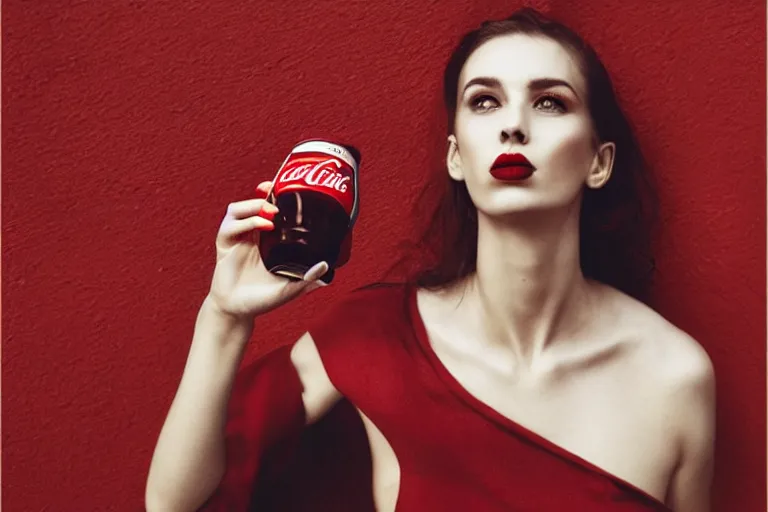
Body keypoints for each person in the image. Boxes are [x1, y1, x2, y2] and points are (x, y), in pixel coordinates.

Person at [145, 7, 716, 512]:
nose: (513, 125)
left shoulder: (674, 377)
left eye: (549, 102)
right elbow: (173, 504)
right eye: (485, 101)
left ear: (599, 161)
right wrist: (224, 316)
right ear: (456, 157)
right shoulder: (376, 336)